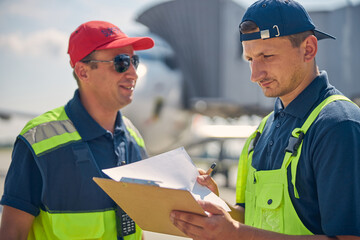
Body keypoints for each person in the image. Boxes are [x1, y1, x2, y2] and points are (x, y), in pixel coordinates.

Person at [170, 0, 360, 239]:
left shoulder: (338, 126)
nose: (254, 75)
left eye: (267, 56)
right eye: (249, 59)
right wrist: (215, 208)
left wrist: (235, 235)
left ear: (309, 49)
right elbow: (252, 218)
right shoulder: (263, 130)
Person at [0, 20, 154, 239]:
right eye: (121, 62)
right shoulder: (37, 141)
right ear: (83, 71)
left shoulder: (134, 139)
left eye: (134, 61)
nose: (133, 73)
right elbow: (12, 233)